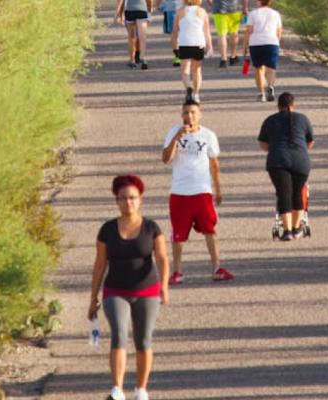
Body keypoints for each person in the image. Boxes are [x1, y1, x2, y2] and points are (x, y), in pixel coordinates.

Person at [89, 175, 171, 400]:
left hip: (147, 291)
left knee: (143, 340)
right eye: (123, 198)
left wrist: (164, 286)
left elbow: (162, 258)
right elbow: (99, 264)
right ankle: (117, 389)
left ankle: (141, 390)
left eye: (133, 198)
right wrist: (93, 297)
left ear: (141, 199)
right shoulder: (107, 229)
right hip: (115, 290)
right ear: (116, 201)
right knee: (119, 335)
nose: (128, 202)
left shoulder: (152, 228)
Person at [160, 99, 232, 283]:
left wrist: (218, 189)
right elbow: (166, 159)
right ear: (181, 114)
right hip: (180, 191)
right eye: (185, 112)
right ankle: (177, 272)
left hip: (201, 190)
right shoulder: (173, 132)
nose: (189, 116)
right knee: (178, 234)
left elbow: (214, 164)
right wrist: (177, 137)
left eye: (193, 112)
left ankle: (217, 267)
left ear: (199, 114)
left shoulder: (208, 135)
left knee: (209, 229)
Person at [258, 92, 314, 241]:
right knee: (297, 193)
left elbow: (263, 144)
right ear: (293, 105)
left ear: (278, 106)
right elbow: (310, 142)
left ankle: (287, 231)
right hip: (301, 161)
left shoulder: (270, 120)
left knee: (284, 194)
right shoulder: (303, 119)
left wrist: (275, 148)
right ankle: (297, 229)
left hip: (278, 161)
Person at [171, 0, 212, 103]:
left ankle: (188, 88)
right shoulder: (202, 12)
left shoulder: (180, 12)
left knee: (185, 70)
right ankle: (196, 94)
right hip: (198, 43)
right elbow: (207, 32)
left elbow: (175, 32)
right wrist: (209, 46)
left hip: (184, 42)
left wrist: (174, 46)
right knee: (197, 70)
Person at [244, 0, 282, 101]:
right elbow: (279, 31)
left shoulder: (253, 14)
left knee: (258, 68)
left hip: (256, 43)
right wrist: (277, 42)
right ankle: (270, 86)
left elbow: (249, 30)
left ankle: (261, 93)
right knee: (271, 68)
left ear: (259, 1)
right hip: (272, 42)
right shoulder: (275, 14)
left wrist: (245, 46)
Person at [114, 0, 154, 70]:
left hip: (130, 10)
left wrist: (118, 14)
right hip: (142, 9)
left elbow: (120, 1)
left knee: (131, 37)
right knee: (142, 36)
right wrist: (150, 8)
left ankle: (132, 61)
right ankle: (142, 58)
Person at [205, 0, 245, 68]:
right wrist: (245, 8)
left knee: (222, 34)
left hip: (219, 8)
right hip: (234, 8)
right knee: (234, 33)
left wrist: (213, 4)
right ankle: (233, 56)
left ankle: (223, 59)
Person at [158, 0, 183, 67]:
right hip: (184, 8)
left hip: (171, 8)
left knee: (174, 33)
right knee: (183, 32)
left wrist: (159, 4)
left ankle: (178, 57)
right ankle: (183, 55)